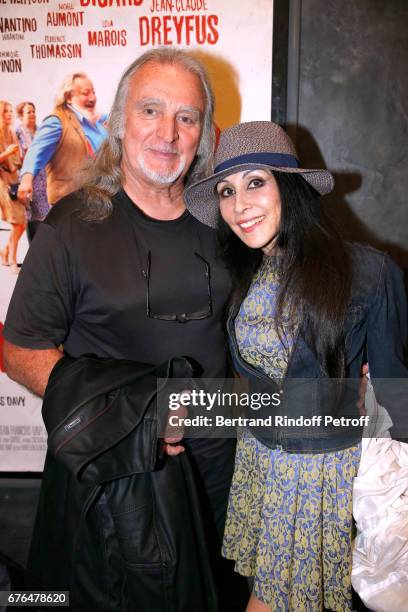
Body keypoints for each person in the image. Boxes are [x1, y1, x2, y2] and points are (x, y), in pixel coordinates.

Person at [3, 49, 244, 611]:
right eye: (150, 111)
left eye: (187, 117)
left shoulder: (225, 221)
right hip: (115, 480)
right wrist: (134, 413)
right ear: (118, 122)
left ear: (205, 134)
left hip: (219, 477)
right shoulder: (73, 223)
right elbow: (19, 351)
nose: (168, 132)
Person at [184, 121, 408, 612]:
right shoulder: (247, 272)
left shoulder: (368, 271)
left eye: (255, 182)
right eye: (226, 190)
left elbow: (398, 394)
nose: (239, 204)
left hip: (317, 477)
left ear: (291, 186)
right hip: (259, 462)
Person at [17, 72, 108, 207]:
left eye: (93, 92)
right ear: (68, 97)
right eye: (86, 93)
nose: (92, 98)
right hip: (70, 206)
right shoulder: (57, 122)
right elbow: (36, 151)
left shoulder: (101, 121)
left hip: (101, 202)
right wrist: (26, 179)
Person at [15, 101, 50, 241]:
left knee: (43, 215)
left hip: (43, 180)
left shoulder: (41, 130)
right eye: (28, 112)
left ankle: (38, 249)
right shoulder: (18, 132)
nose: (32, 114)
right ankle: (32, 249)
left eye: (33, 111)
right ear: (20, 115)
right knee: (29, 216)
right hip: (26, 180)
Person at [0, 100, 26, 274]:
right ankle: (12, 260)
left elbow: (17, 159)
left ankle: (5, 251)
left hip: (14, 179)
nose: (10, 114)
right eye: (6, 111)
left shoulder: (11, 132)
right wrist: (8, 153)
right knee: (18, 222)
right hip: (2, 181)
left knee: (22, 222)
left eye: (11, 111)